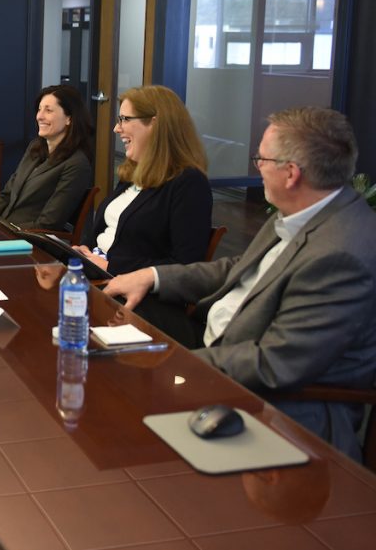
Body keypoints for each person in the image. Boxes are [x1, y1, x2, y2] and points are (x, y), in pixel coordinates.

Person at [104, 108, 376, 461]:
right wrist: (153, 276)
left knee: (118, 424)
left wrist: (173, 366)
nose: (256, 167)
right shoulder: (306, 208)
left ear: (291, 173)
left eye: (261, 158)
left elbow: (273, 363)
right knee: (108, 324)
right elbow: (241, 267)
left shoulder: (340, 255)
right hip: (219, 343)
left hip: (274, 409)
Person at [77, 84, 212, 275]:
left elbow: (186, 266)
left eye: (124, 119)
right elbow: (106, 231)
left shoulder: (189, 184)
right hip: (95, 273)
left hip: (132, 292)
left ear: (155, 124)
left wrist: (111, 266)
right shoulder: (133, 174)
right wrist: (84, 251)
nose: (117, 128)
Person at [0, 84, 93, 230]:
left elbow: (49, 223)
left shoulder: (77, 164)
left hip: (29, 243)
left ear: (69, 118)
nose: (39, 116)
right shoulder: (35, 147)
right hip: (3, 230)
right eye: (39, 109)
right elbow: (7, 194)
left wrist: (4, 232)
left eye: (48, 110)